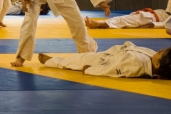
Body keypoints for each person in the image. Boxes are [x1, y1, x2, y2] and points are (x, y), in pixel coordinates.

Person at [38, 42, 171, 79]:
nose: (158, 50)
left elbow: (111, 70)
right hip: (112, 53)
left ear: (158, 64)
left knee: (74, 61)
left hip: (103, 61)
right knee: (80, 57)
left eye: (161, 53)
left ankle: (52, 61)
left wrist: (90, 70)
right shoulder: (151, 56)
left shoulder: (134, 66)